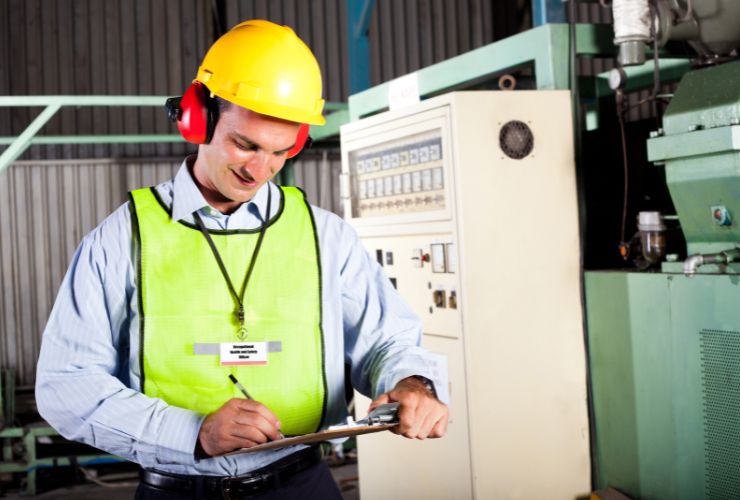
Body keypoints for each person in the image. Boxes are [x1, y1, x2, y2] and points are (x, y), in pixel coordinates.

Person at [36, 19, 448, 499]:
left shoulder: (326, 237)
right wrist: (191, 430)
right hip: (178, 489)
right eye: (245, 144)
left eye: (279, 152)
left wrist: (413, 383)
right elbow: (65, 386)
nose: (259, 170)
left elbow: (385, 341)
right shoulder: (121, 240)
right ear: (198, 117)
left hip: (301, 484)